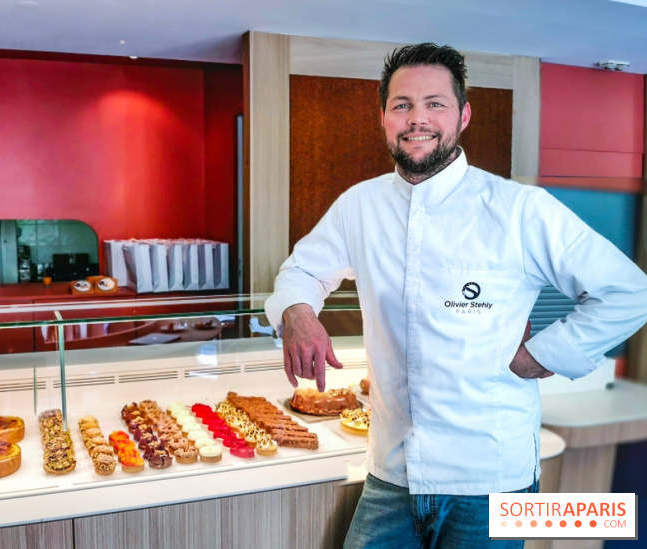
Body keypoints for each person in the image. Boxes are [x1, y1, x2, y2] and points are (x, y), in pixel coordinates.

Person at [264, 43, 647, 548]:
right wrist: (297, 312)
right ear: (383, 117)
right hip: (392, 475)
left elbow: (628, 291)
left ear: (463, 115)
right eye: (402, 105)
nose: (417, 118)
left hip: (491, 478)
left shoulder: (520, 209)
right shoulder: (359, 205)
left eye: (435, 104)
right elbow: (304, 269)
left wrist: (542, 354)